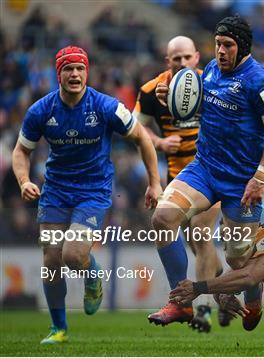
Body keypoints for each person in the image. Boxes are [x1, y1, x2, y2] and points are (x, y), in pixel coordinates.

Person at [11, 46, 162, 344]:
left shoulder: (106, 106)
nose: (75, 74)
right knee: (51, 259)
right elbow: (21, 151)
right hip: (55, 191)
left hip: (93, 191)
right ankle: (59, 329)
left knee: (73, 255)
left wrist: (154, 182)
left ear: (87, 72)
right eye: (68, 69)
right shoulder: (41, 111)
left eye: (80, 68)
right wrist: (23, 180)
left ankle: (92, 274)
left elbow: (142, 139)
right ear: (59, 74)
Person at [153, 15, 264, 331]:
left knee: (238, 261)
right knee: (162, 219)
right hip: (204, 169)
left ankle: (254, 300)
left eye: (227, 45)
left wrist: (259, 179)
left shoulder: (260, 82)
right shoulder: (212, 70)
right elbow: (204, 106)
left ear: (242, 47)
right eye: (217, 44)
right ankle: (180, 302)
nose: (220, 51)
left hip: (241, 184)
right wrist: (172, 98)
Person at [133, 36, 225, 332]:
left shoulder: (211, 86)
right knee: (199, 247)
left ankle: (201, 310)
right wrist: (159, 141)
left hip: (213, 174)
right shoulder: (150, 91)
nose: (183, 63)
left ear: (197, 57)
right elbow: (136, 130)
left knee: (201, 233)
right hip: (178, 178)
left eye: (187, 57)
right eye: (177, 59)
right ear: (167, 61)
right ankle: (222, 282)